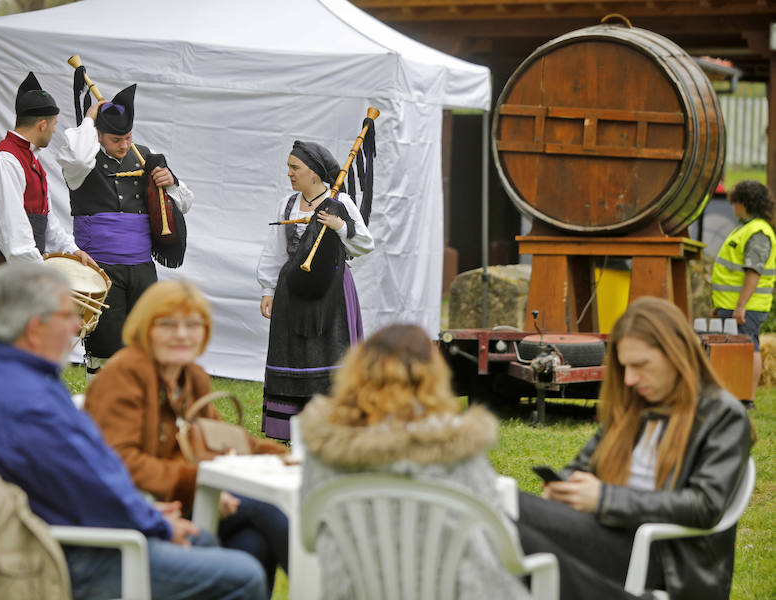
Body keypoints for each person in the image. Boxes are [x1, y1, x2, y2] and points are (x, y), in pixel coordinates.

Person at [0, 262, 267, 600]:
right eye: (68, 314)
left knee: (220, 539)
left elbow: (83, 474)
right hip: (62, 553)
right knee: (246, 576)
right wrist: (155, 522)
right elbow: (87, 482)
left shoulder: (11, 375)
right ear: (35, 327)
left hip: (73, 525)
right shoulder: (25, 398)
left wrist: (148, 513)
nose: (78, 324)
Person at [516, 296, 753, 600]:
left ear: (676, 354)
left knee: (512, 521)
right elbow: (581, 467)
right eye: (625, 367)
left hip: (666, 561)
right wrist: (565, 489)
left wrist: (604, 499)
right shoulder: (635, 409)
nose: (629, 379)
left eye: (640, 365)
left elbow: (703, 506)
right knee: (506, 515)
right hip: (609, 535)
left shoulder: (722, 415)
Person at [84, 279, 290, 592]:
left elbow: (225, 440)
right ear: (146, 327)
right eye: (168, 325)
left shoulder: (191, 376)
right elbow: (120, 461)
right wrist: (194, 485)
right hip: (143, 511)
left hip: (189, 500)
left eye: (193, 325)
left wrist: (287, 457)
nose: (182, 334)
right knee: (268, 512)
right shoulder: (124, 374)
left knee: (254, 541)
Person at [299, 323, 531, 600]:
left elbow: (309, 534)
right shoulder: (459, 450)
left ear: (357, 371)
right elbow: (500, 540)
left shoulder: (325, 449)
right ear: (436, 376)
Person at [57, 84, 194, 378]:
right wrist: (90, 118)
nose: (124, 145)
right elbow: (79, 157)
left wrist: (170, 182)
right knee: (106, 347)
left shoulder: (145, 156)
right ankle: (103, 412)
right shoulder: (81, 163)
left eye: (128, 137)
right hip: (100, 269)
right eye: (116, 139)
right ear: (98, 136)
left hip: (142, 269)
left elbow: (185, 202)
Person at [257, 141, 375, 440]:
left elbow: (364, 244)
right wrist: (268, 288)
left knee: (331, 354)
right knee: (293, 353)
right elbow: (275, 250)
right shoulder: (287, 204)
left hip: (331, 291)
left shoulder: (341, 203)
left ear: (314, 173)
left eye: (295, 167)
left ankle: (334, 429)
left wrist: (339, 225)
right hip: (291, 290)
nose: (290, 173)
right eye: (289, 167)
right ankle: (289, 430)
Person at [0, 72, 95, 283]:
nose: (53, 130)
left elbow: (46, 220)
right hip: (6, 269)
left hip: (25, 268)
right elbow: (13, 233)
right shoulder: (5, 161)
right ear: (42, 125)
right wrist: (43, 277)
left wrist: (72, 250)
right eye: (54, 124)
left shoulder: (32, 161)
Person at [711, 179, 776, 406]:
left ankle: (747, 399)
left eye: (735, 201)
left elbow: (753, 272)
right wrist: (720, 305)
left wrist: (740, 306)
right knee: (740, 349)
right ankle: (736, 396)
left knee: (749, 347)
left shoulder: (757, 233)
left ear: (745, 202)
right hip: (733, 304)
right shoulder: (745, 228)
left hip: (748, 306)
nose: (732, 206)